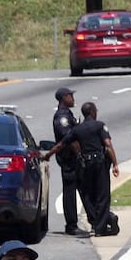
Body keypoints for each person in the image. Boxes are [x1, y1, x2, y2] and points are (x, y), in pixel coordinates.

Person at [48, 101, 120, 237]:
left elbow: (61, 145)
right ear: (93, 112)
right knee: (103, 195)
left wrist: (47, 155)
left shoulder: (77, 129)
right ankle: (101, 226)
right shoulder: (99, 125)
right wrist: (115, 164)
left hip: (85, 164)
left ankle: (96, 221)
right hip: (99, 163)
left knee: (87, 195)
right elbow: (108, 145)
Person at [50, 87, 89, 237]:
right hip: (69, 159)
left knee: (82, 188)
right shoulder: (62, 116)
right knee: (70, 192)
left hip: (73, 158)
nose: (73, 98)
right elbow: (69, 138)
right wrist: (79, 154)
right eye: (70, 96)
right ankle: (71, 225)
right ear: (64, 97)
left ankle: (92, 219)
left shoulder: (68, 114)